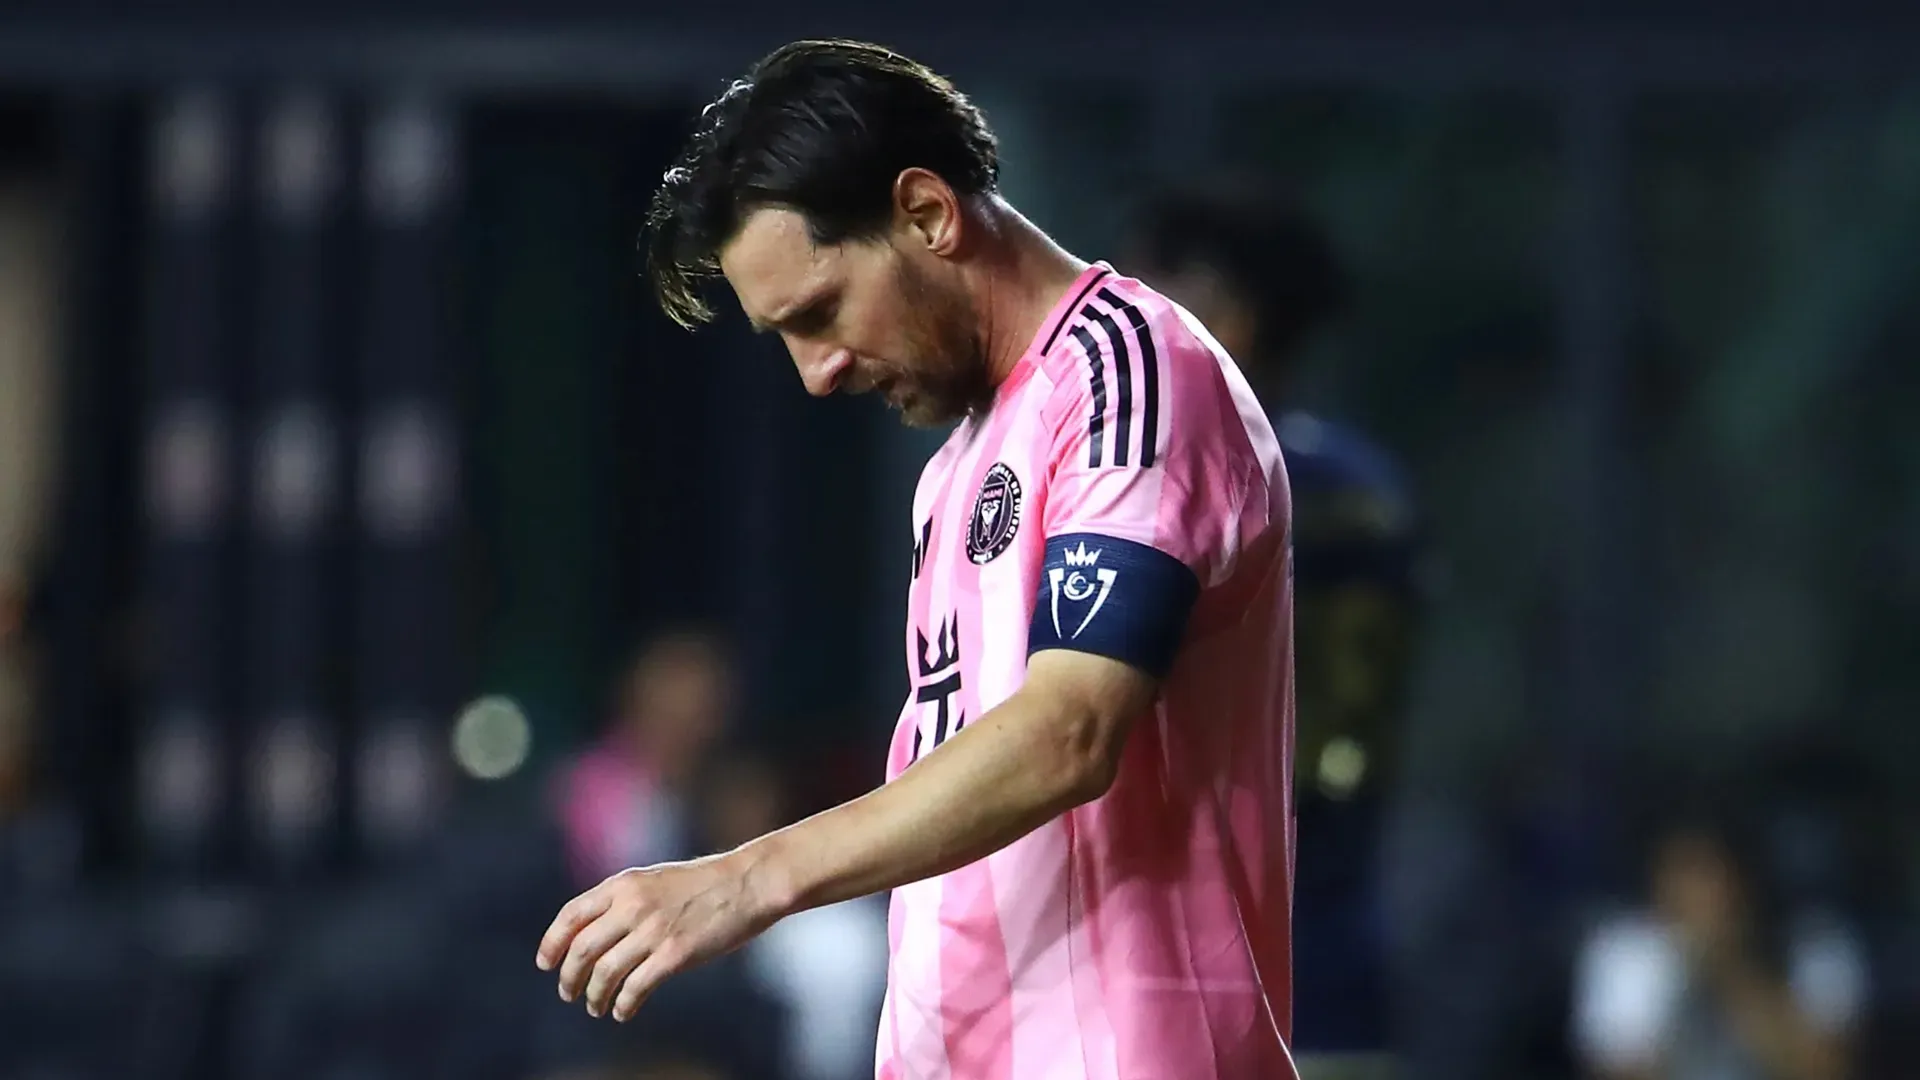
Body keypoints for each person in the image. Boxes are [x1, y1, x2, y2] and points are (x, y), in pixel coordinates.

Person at [535, 39, 1298, 1080]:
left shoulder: (1130, 376)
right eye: (786, 339)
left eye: (819, 315)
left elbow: (1068, 731)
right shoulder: (958, 468)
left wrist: (753, 876)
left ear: (928, 214)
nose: (817, 373)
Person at [1128, 184, 1424, 1075]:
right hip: (1323, 951)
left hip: (1217, 957)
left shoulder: (1216, 472)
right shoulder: (1367, 486)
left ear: (1231, 317)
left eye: (1153, 295)